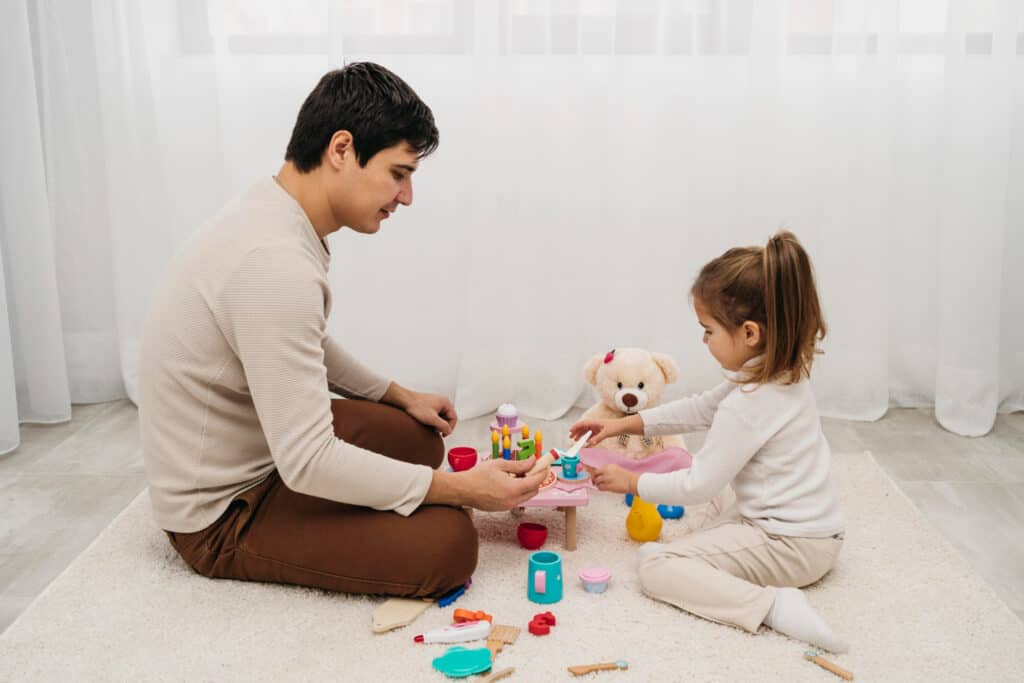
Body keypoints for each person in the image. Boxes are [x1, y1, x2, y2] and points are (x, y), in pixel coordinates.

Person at [139, 62, 545, 599]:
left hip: (261, 440)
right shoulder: (272, 263)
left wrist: (397, 395)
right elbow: (307, 461)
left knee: (415, 436)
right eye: (398, 173)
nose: (406, 197)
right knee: (448, 544)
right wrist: (460, 490)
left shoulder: (271, 213)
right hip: (223, 513)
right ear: (341, 149)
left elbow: (301, 342)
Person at [571, 230, 848, 653]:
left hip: (792, 546)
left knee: (656, 565)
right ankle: (719, 551)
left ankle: (773, 605)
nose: (703, 341)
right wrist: (622, 426)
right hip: (811, 530)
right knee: (711, 492)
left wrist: (630, 482)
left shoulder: (750, 403)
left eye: (708, 330)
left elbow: (698, 486)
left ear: (750, 333)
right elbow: (700, 409)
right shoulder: (775, 375)